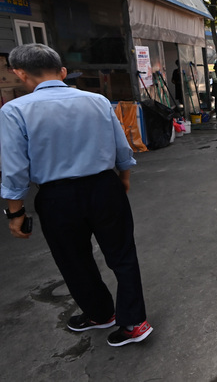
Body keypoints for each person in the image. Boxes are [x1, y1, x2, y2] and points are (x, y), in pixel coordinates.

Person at [0, 44, 152, 347]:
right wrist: (122, 179)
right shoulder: (97, 101)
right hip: (104, 187)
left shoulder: (15, 110)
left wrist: (15, 212)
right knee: (122, 255)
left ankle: (100, 313)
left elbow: (14, 168)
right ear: (63, 72)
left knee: (73, 259)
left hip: (58, 197)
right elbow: (122, 147)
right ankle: (134, 322)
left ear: (19, 73)